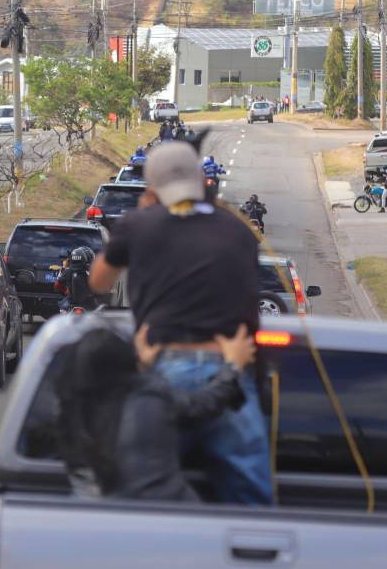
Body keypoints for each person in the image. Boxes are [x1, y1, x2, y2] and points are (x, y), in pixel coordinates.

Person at [88, 141, 271, 505]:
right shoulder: (237, 231)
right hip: (228, 366)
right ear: (204, 181)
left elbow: (99, 282)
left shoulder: (138, 224)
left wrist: (141, 220)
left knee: (140, 490)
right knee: (251, 498)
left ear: (152, 188)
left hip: (161, 367)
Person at [53, 322, 252, 500]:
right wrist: (232, 367)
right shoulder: (150, 398)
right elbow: (204, 404)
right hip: (169, 514)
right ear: (126, 362)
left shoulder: (68, 415)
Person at [54, 247, 96, 312]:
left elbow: (57, 285)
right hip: (88, 305)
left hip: (71, 304)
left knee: (62, 309)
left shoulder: (67, 271)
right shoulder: (93, 272)